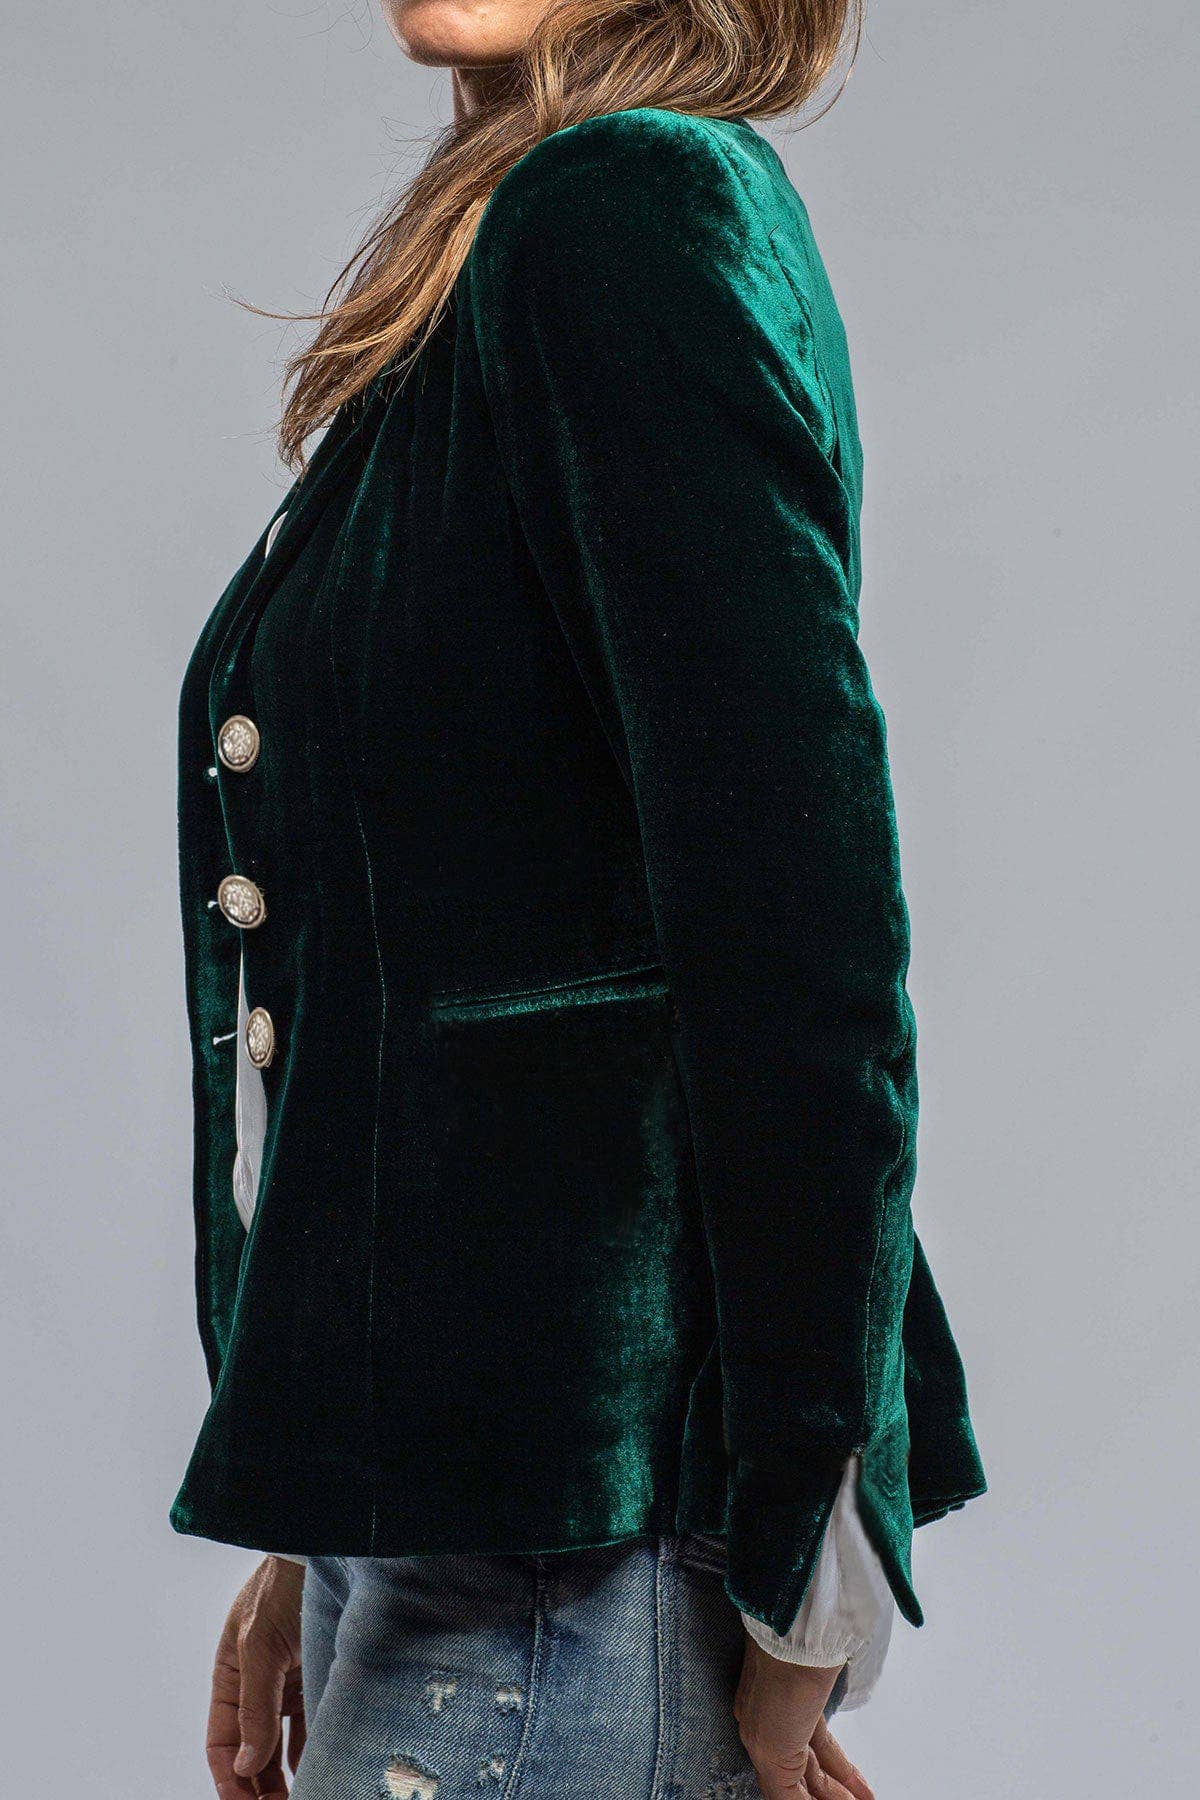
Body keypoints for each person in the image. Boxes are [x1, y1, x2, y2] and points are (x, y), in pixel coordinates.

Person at [176, 0, 986, 1794]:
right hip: (465, 1519)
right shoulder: (516, 238)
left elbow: (800, 924)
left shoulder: (621, 210)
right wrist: (319, 1511)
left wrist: (807, 1563)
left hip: (561, 1562)